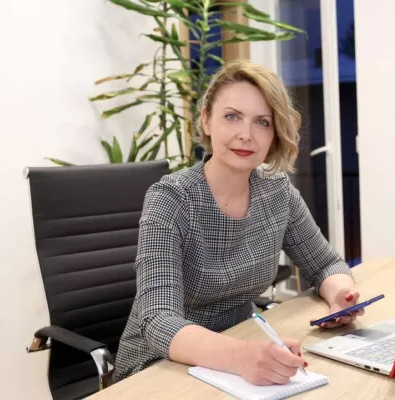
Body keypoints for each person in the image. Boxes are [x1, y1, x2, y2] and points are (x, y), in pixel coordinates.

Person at [115, 60, 362, 386]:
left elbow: (326, 264)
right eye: (232, 117)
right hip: (158, 365)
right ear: (206, 120)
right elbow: (158, 320)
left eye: (262, 122)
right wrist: (242, 356)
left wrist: (340, 296)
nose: (246, 135)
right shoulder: (171, 200)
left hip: (240, 343)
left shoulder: (277, 193)